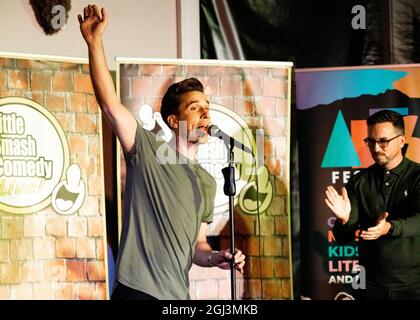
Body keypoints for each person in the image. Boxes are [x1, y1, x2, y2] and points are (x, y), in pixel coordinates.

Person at [78, 4, 246, 300]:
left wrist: (216, 257)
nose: (205, 113)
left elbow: (198, 246)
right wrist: (94, 42)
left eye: (207, 107)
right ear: (173, 121)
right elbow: (110, 106)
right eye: (195, 108)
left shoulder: (205, 182)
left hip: (176, 297)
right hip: (137, 291)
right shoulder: (146, 148)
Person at [325, 110, 420, 300]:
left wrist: (390, 228)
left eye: (383, 141)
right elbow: (343, 238)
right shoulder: (358, 182)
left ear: (401, 141)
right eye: (370, 141)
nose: (376, 148)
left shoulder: (417, 176)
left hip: (414, 285)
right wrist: (344, 221)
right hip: (370, 286)